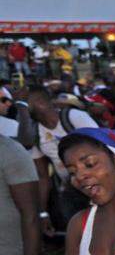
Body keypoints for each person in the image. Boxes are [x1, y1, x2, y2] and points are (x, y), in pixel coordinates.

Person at [27, 86, 98, 232]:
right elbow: (42, 176)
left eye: (26, 102)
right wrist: (43, 212)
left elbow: (103, 148)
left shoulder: (73, 117)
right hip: (70, 191)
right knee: (79, 231)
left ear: (41, 102)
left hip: (97, 184)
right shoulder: (35, 133)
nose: (22, 107)